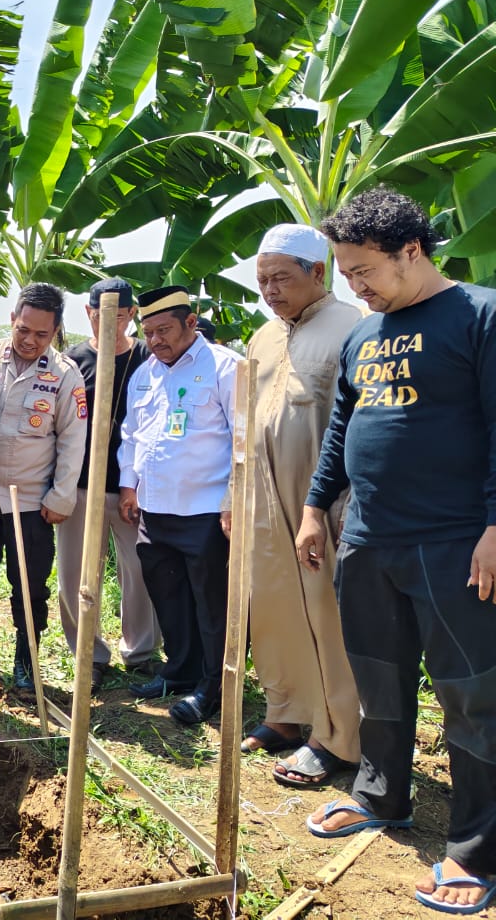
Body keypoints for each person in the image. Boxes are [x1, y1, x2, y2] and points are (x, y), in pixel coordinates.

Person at [298, 188, 496, 915]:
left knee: (473, 696)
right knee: (379, 684)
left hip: (454, 543)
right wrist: (318, 507)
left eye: (363, 271)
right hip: (369, 539)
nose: (355, 285)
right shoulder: (364, 334)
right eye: (345, 274)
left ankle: (476, 849)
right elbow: (344, 425)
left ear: (412, 251)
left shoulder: (480, 315)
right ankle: (381, 795)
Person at [233, 224, 361, 787]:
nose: (269, 289)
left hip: (323, 503)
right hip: (261, 499)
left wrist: (341, 505)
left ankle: (338, 737)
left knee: (327, 617)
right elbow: (244, 424)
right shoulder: (261, 338)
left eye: (281, 277)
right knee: (273, 608)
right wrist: (232, 498)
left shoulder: (355, 328)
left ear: (318, 272)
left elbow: (359, 426)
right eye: (262, 280)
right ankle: (286, 714)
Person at [0, 283, 87, 689]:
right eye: (23, 329)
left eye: (41, 334)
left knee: (28, 584)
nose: (29, 340)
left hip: (30, 500)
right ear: (12, 319)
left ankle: (26, 661)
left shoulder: (65, 375)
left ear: (56, 331)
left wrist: (61, 496)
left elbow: (72, 439)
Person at [118, 285, 237, 725]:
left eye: (164, 330)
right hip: (154, 507)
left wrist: (232, 500)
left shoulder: (225, 367)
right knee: (168, 595)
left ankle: (215, 685)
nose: (156, 340)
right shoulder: (146, 374)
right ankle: (180, 670)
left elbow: (242, 439)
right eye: (148, 332)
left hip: (206, 510)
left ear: (191, 322)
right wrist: (129, 487)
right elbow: (132, 435)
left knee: (211, 603)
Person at [56, 278, 161, 692]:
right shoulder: (72, 362)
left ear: (131, 316)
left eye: (118, 317)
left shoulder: (148, 358)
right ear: (88, 314)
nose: (109, 324)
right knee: (75, 573)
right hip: (80, 485)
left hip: (133, 487)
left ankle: (140, 652)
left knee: (139, 570)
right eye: (101, 316)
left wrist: (135, 483)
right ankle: (89, 653)